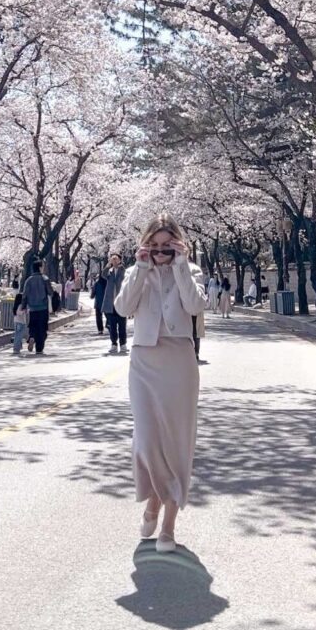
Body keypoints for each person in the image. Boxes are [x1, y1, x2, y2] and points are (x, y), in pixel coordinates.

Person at [115, 212, 207, 553]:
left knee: (177, 441)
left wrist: (181, 265)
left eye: (167, 246)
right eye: (153, 246)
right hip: (144, 362)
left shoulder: (190, 270)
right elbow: (123, 309)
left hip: (179, 360)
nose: (160, 253)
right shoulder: (136, 272)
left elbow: (196, 305)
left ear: (178, 245)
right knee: (147, 440)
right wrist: (140, 268)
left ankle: (168, 523)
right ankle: (152, 501)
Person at [23, 260, 53, 354]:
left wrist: (24, 306)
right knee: (42, 328)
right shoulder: (44, 278)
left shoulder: (29, 280)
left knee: (33, 326)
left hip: (32, 308)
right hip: (43, 308)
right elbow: (50, 292)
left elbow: (24, 295)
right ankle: (39, 348)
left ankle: (31, 337)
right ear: (40, 268)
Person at [102, 253, 128, 354]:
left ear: (120, 260)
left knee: (122, 325)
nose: (114, 261)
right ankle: (113, 344)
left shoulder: (123, 271)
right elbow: (103, 275)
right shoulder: (109, 271)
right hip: (111, 304)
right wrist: (108, 264)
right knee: (112, 326)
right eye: (113, 259)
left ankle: (123, 344)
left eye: (116, 259)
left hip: (121, 302)